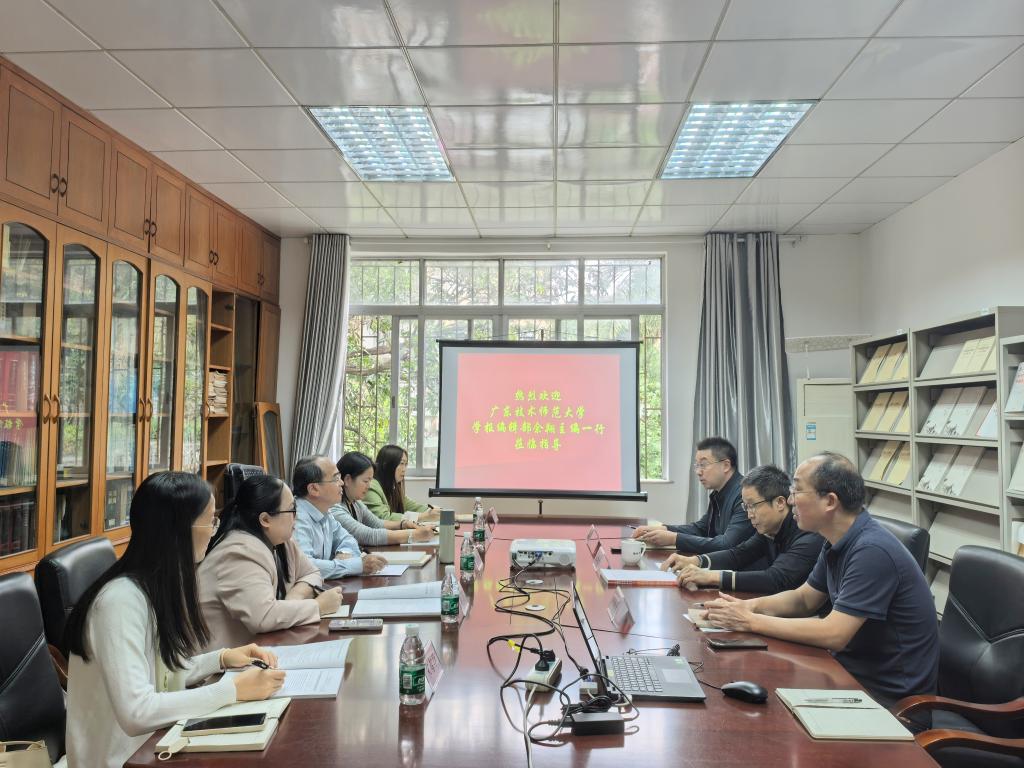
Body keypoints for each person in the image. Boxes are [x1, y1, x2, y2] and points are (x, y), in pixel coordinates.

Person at [63, 472, 285, 768]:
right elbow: (137, 711)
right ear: (179, 528)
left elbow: (163, 672)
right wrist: (232, 690)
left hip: (156, 744)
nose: (214, 530)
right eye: (210, 521)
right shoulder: (119, 602)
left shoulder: (157, 585)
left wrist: (221, 659)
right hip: (122, 759)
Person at [703, 452, 939, 706]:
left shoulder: (872, 551)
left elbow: (834, 633)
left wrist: (750, 621)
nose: (790, 500)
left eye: (797, 490)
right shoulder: (836, 540)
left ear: (829, 501)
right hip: (847, 675)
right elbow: (804, 599)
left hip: (888, 701)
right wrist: (746, 607)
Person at [198, 474, 343, 650]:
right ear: (265, 519)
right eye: (292, 510)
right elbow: (264, 616)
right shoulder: (238, 551)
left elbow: (312, 573)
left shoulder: (281, 541)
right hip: (222, 661)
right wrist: (318, 606)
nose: (296, 517)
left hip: (258, 648)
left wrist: (295, 598)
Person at [662, 464, 824, 594]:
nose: (749, 514)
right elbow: (738, 554)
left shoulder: (807, 532)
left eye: (753, 506)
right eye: (746, 507)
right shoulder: (769, 529)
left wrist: (712, 577)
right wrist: (696, 561)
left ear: (780, 503)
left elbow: (776, 578)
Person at [633, 437, 755, 553]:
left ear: (726, 466)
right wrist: (663, 528)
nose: (698, 472)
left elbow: (727, 544)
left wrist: (675, 539)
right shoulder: (718, 493)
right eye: (697, 465)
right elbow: (701, 529)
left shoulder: (745, 495)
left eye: (703, 465)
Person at [292, 455, 387, 578]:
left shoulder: (324, 512)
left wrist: (344, 553)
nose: (342, 483)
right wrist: (356, 565)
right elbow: (305, 567)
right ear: (314, 489)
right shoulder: (296, 518)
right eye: (336, 478)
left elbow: (348, 539)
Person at [332, 451, 435, 546]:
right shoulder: (335, 508)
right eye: (365, 481)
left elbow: (376, 523)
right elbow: (368, 535)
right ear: (347, 480)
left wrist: (403, 524)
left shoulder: (356, 502)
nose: (369, 486)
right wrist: (413, 535)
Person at [363, 444, 439, 523]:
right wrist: (421, 516)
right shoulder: (371, 487)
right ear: (387, 465)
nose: (404, 469)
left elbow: (413, 506)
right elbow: (383, 518)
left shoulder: (393, 487)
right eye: (401, 463)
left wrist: (434, 511)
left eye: (406, 464)